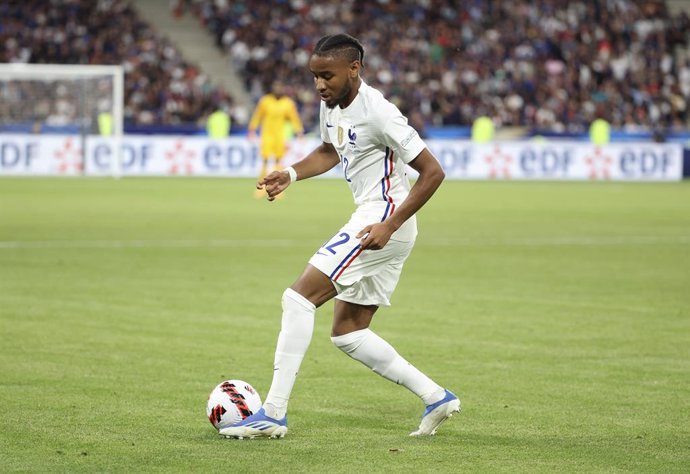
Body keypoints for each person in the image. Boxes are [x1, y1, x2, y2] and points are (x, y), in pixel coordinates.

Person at [220, 34, 459, 439]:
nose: (319, 85)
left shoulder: (380, 112)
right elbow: (330, 150)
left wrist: (390, 224)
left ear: (354, 68)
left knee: (297, 299)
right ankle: (437, 397)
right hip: (379, 221)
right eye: (314, 76)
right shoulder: (330, 106)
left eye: (326, 76)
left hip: (381, 220)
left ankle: (272, 414)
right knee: (348, 332)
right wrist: (291, 173)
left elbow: (433, 171)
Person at [248, 81, 304, 197]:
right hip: (267, 135)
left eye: (280, 87)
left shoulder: (288, 103)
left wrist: (299, 131)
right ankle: (260, 188)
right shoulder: (265, 101)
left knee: (278, 161)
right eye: (275, 87)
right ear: (272, 88)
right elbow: (258, 115)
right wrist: (252, 129)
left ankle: (277, 189)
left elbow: (294, 118)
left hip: (280, 136)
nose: (277, 89)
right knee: (265, 160)